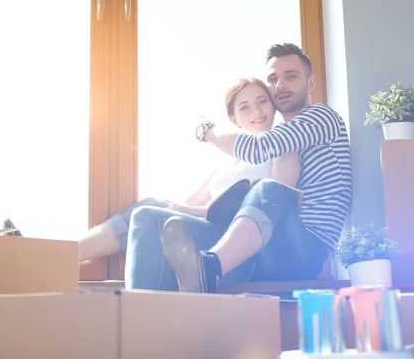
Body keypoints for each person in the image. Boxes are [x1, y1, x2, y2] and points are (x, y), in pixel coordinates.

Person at [127, 42, 353, 293]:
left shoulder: (320, 116)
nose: (280, 85)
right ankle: (137, 314)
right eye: (273, 78)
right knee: (146, 218)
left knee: (270, 189)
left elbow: (257, 149)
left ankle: (209, 268)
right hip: (261, 248)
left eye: (291, 76)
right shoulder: (285, 137)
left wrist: (207, 131)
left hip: (307, 250)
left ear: (310, 83)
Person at [76, 77, 301, 263]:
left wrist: (187, 211)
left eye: (262, 102)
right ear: (233, 119)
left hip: (232, 238)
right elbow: (189, 204)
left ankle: (67, 255)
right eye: (245, 107)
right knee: (148, 207)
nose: (257, 111)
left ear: (272, 106)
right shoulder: (224, 168)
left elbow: (273, 208)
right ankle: (68, 254)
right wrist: (181, 209)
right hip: (207, 224)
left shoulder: (282, 150)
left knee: (150, 209)